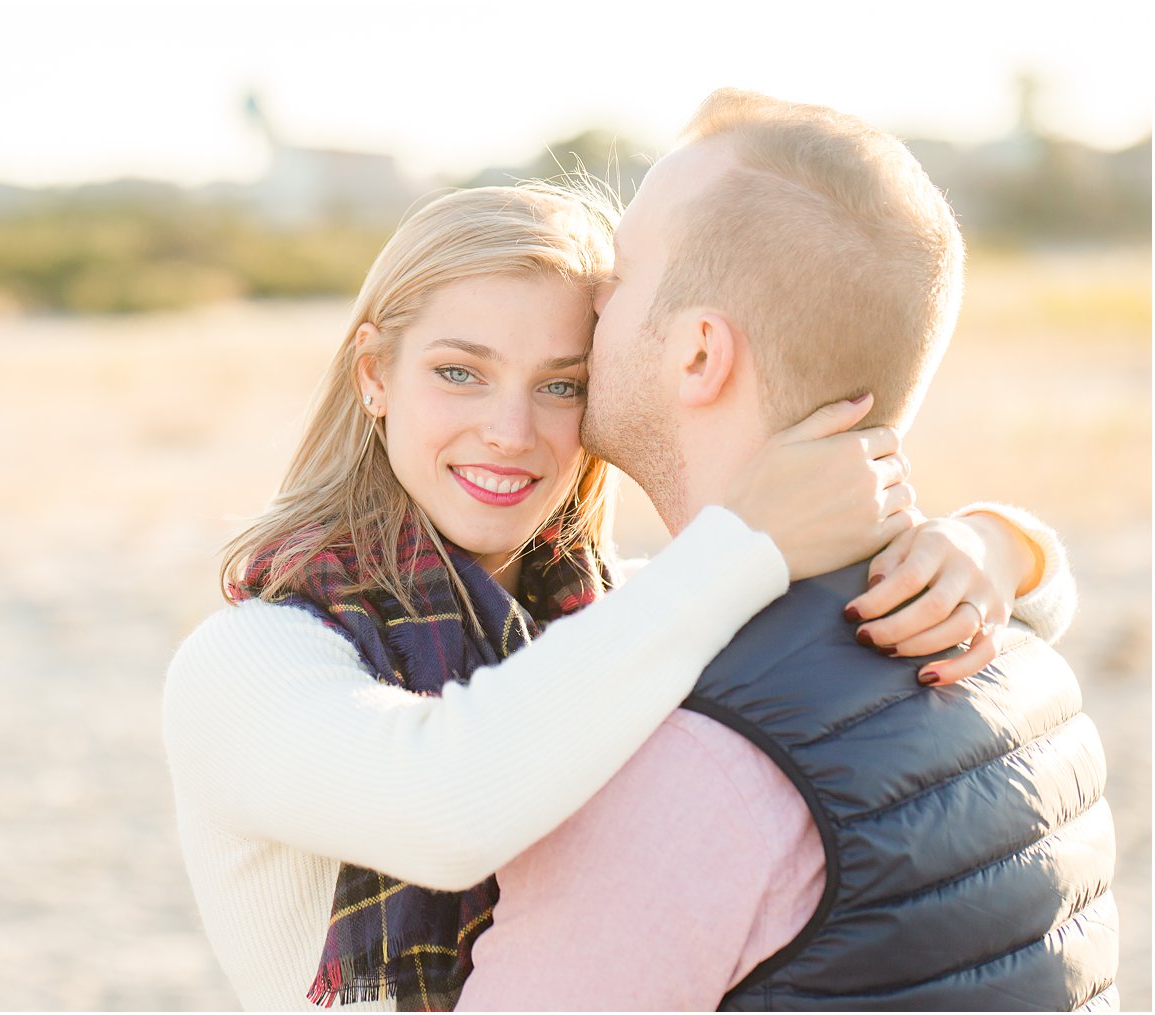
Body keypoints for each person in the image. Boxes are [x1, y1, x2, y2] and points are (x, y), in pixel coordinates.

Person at [162, 182, 1075, 1012]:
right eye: (459, 372)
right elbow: (445, 805)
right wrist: (744, 541)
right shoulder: (251, 659)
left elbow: (1043, 605)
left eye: (562, 384)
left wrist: (993, 543)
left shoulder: (616, 621)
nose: (510, 430)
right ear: (374, 375)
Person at [457, 90, 1117, 1012]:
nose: (594, 298)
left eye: (624, 271)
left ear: (699, 354)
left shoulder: (678, 767)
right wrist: (1005, 542)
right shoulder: (1018, 661)